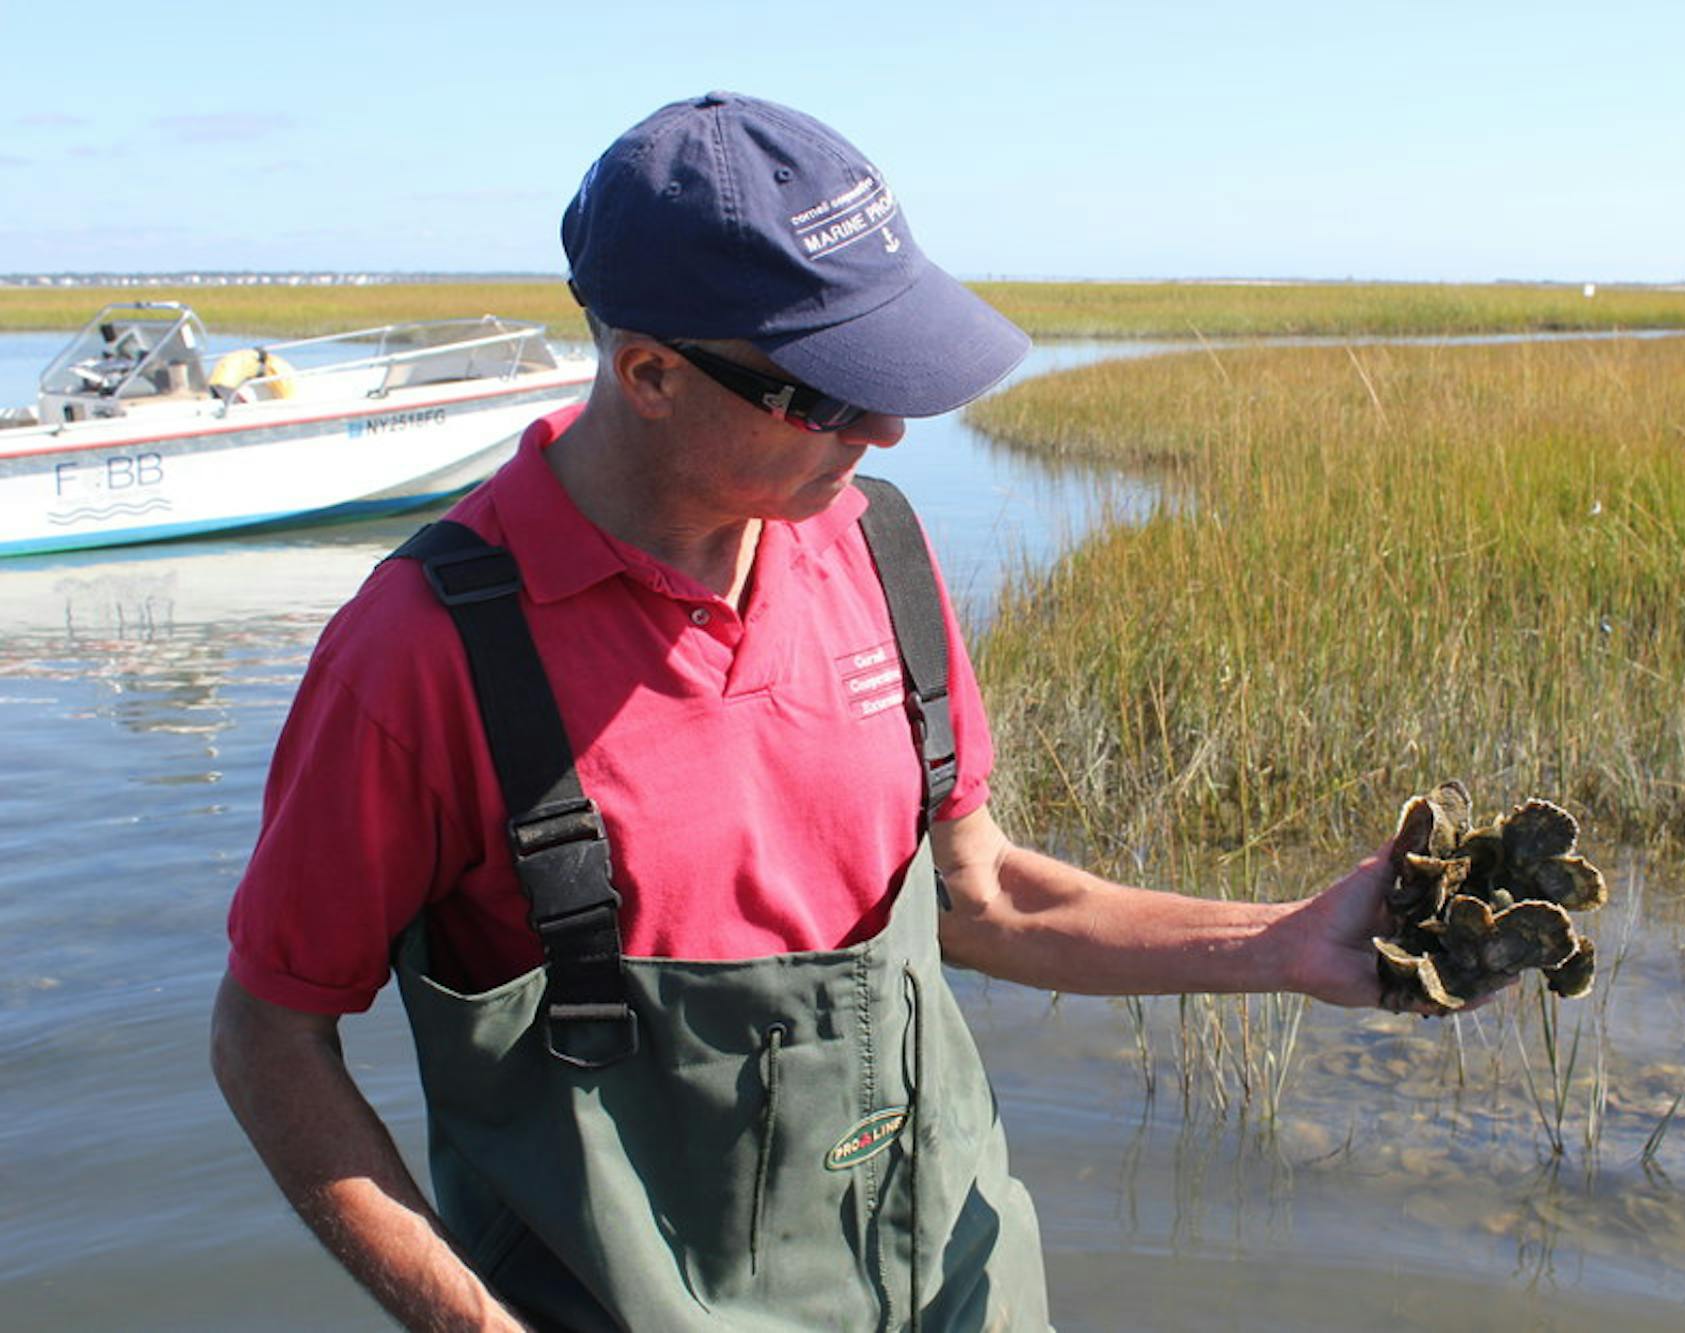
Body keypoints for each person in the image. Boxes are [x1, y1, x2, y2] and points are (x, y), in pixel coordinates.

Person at [211, 91, 1431, 1333]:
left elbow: (983, 895)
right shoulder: (419, 655)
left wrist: (1284, 943)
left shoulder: (875, 551)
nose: (888, 428)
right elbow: (267, 1039)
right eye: (829, 395)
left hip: (957, 1278)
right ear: (649, 374)